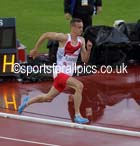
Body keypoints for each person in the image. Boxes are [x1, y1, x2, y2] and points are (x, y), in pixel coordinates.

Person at [18, 18, 93, 124]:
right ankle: (77, 115)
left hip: (67, 75)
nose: (82, 29)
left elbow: (85, 60)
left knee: (48, 98)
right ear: (73, 27)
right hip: (59, 73)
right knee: (79, 86)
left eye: (82, 27)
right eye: (79, 27)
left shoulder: (82, 41)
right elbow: (46, 35)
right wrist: (36, 49)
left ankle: (26, 103)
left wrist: (89, 49)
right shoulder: (63, 38)